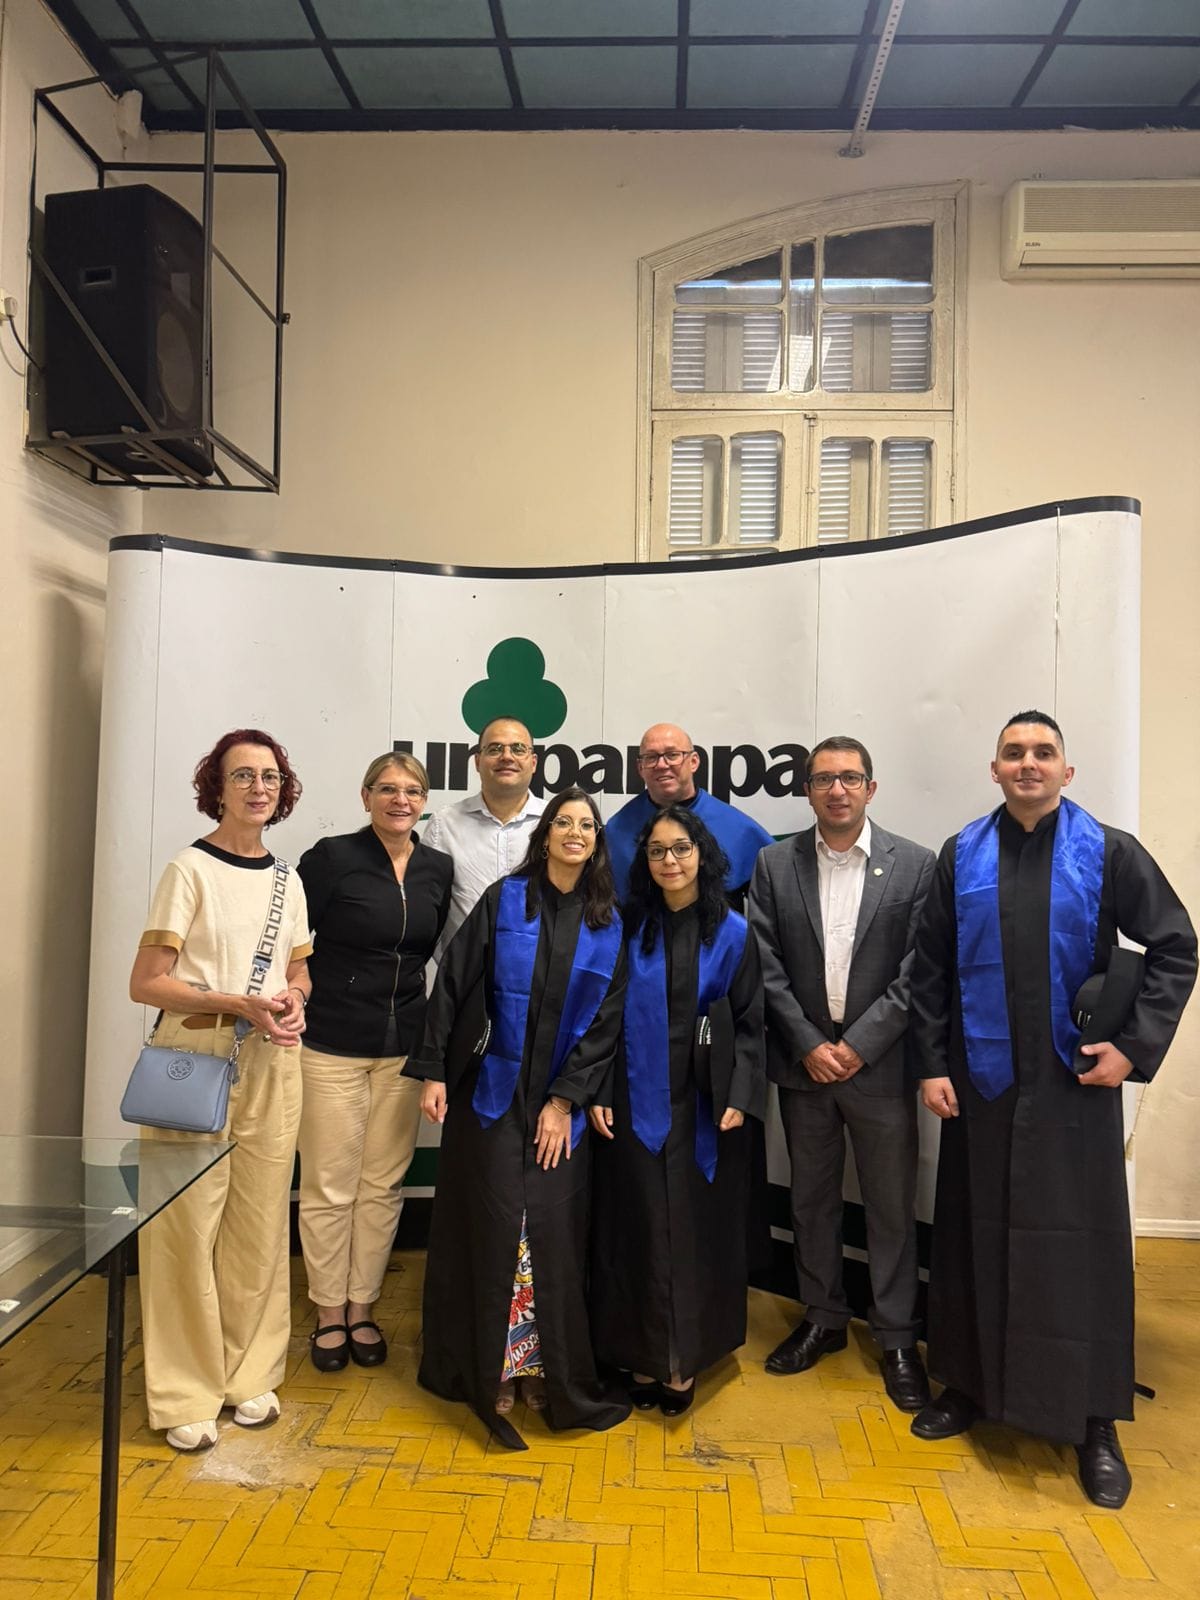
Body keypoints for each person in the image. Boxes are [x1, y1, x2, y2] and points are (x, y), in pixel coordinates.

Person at [908, 710, 1197, 1509]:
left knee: (1082, 1247)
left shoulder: (1109, 852)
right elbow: (928, 968)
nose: (1027, 763)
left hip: (1075, 1088)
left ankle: (1094, 1417)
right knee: (974, 1232)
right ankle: (966, 1386)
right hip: (983, 1085)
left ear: (1067, 771)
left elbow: (1176, 946)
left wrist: (1132, 1048)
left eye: (1043, 752)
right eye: (1014, 753)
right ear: (994, 769)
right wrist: (930, 1065)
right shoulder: (960, 855)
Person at [407, 786, 631, 1449]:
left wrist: (564, 1103)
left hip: (560, 1107)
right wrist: (435, 1070)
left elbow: (606, 1025)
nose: (574, 832)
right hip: (490, 1095)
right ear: (546, 834)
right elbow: (453, 983)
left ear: (596, 842)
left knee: (550, 1235)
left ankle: (542, 1368)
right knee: (496, 1225)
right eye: (563, 822)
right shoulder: (505, 899)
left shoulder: (608, 921)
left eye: (586, 825)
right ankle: (491, 1368)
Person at [128, 729, 313, 1452]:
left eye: (270, 777)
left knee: (260, 1221)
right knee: (182, 1226)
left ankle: (249, 1372)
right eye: (243, 776)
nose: (258, 788)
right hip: (195, 1056)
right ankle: (184, 1391)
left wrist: (295, 999)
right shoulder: (189, 869)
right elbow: (147, 982)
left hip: (272, 1059)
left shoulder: (287, 879)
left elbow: (299, 971)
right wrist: (237, 1003)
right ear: (217, 787)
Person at [748, 737, 935, 1413]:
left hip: (878, 1067)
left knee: (890, 1208)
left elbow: (920, 969)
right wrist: (807, 1042)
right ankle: (823, 1317)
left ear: (870, 789)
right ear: (807, 790)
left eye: (850, 778)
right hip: (806, 1068)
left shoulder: (915, 864)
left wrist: (858, 1044)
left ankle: (896, 1338)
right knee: (811, 1200)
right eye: (824, 779)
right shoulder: (774, 863)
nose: (837, 790)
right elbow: (763, 961)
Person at [589, 806, 765, 1416]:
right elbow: (602, 1019)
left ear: (702, 855)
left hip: (703, 1109)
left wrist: (740, 1096)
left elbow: (751, 1023)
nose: (670, 861)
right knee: (635, 1228)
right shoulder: (625, 928)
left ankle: (684, 1361)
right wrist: (598, 1092)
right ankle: (638, 1353)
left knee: (692, 1234)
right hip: (632, 1100)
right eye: (658, 850)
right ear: (644, 860)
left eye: (681, 848)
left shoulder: (734, 933)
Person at [296, 752, 453, 1373]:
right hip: (330, 1044)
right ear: (366, 797)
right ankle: (328, 1311)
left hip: (403, 1050)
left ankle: (362, 1305)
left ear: (424, 802)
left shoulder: (437, 867)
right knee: (329, 1186)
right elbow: (293, 943)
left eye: (412, 790)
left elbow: (437, 952)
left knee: (383, 1185)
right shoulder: (331, 858)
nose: (400, 800)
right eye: (386, 789)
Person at [605, 723, 773, 906]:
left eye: (672, 755)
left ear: (693, 762)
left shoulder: (737, 828)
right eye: (651, 757)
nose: (661, 765)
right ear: (640, 767)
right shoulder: (617, 830)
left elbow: (773, 903)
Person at [422, 717, 545, 949]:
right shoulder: (444, 824)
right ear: (478, 761)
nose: (506, 756)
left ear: (533, 762)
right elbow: (425, 909)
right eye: (494, 749)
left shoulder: (556, 822)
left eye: (518, 749)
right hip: (464, 970)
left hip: (537, 968)